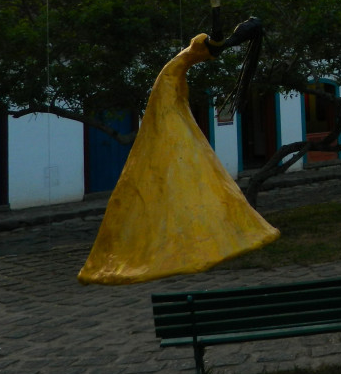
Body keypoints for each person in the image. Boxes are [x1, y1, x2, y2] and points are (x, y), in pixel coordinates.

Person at [78, 17, 280, 286]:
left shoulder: (198, 53)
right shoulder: (198, 53)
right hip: (171, 97)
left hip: (171, 99)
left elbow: (207, 47)